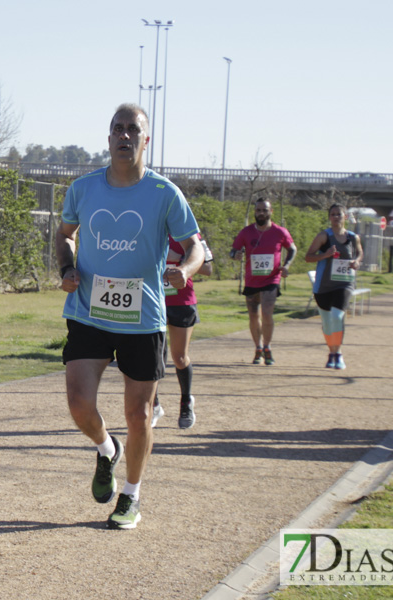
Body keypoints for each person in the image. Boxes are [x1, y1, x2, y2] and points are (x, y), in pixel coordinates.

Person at [56, 103, 202, 530]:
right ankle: (106, 450)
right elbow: (64, 235)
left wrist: (185, 270)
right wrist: (67, 268)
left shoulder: (164, 193)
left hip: (144, 318)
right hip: (88, 311)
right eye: (117, 129)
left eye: (132, 130)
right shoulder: (83, 189)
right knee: (79, 404)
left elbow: (194, 244)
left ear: (145, 139)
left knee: (139, 415)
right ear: (108, 138)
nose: (124, 136)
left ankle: (131, 496)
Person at [151, 234, 213, 429]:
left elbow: (208, 268)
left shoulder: (189, 235)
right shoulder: (149, 226)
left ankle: (186, 401)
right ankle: (154, 405)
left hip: (181, 301)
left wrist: (180, 260)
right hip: (152, 301)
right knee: (153, 357)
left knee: (179, 358)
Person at [230, 199, 297, 365]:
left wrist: (286, 265)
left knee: (267, 313)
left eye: (264, 210)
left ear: (271, 211)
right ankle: (258, 347)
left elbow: (292, 248)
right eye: (258, 210)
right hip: (252, 280)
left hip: (271, 278)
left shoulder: (280, 232)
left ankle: (267, 347)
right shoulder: (246, 232)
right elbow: (233, 250)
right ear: (255, 212)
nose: (261, 213)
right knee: (253, 316)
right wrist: (235, 255)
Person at [304, 205, 363, 369]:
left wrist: (357, 261)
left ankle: (339, 353)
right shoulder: (324, 236)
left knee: (337, 317)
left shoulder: (353, 237)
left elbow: (359, 252)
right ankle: (331, 352)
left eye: (339, 214)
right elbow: (308, 257)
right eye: (333, 214)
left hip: (344, 283)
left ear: (345, 216)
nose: (336, 217)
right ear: (329, 217)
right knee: (327, 322)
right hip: (323, 286)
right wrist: (325, 255)